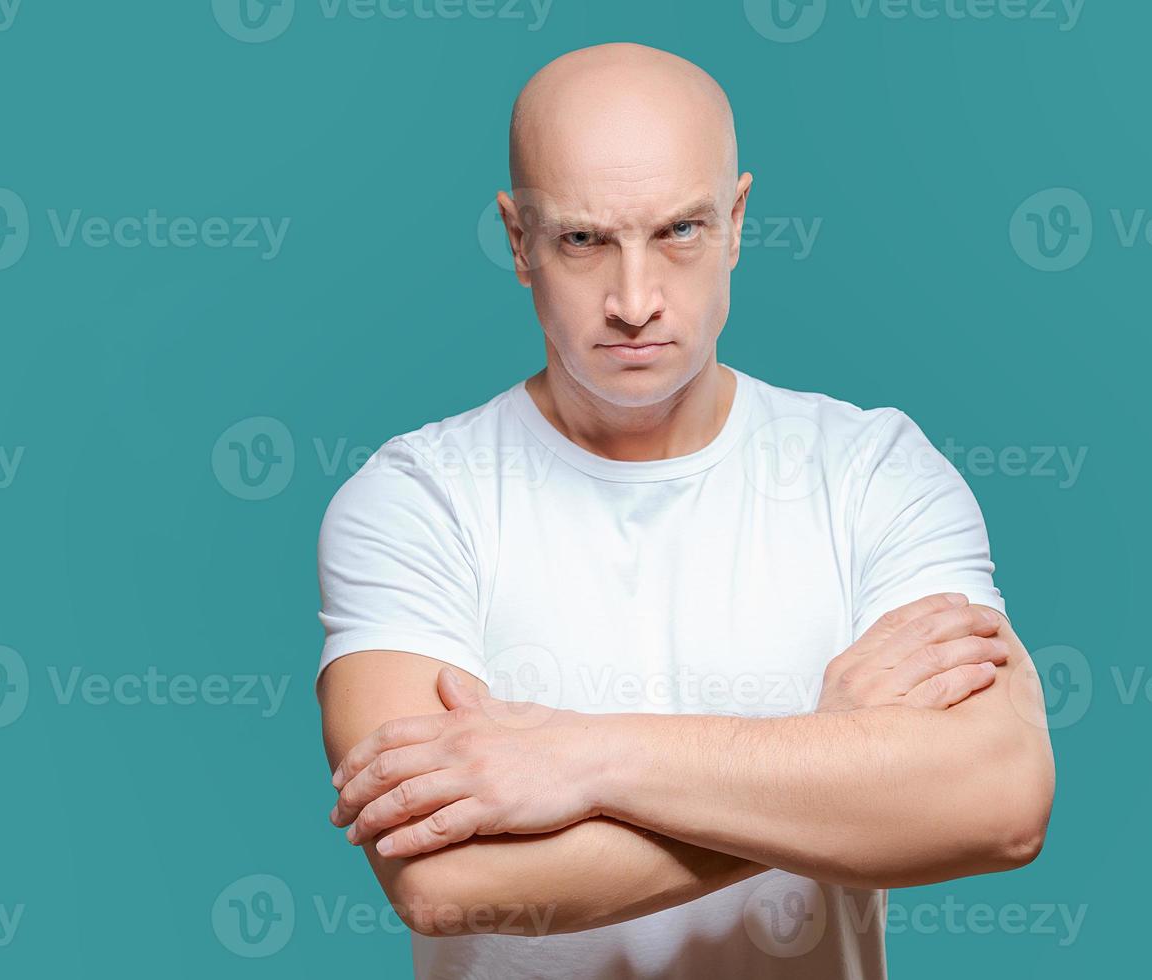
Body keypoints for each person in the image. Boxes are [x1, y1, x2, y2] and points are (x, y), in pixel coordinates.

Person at [316, 41, 1054, 979]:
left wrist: (589, 759)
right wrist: (830, 768)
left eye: (679, 231)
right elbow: (445, 880)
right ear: (518, 240)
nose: (634, 300)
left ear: (738, 220)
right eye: (584, 240)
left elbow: (997, 802)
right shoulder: (417, 499)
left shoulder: (873, 472)